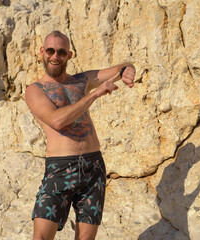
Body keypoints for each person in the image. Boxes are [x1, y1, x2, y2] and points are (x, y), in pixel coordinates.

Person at [25, 30, 136, 240]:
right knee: (41, 238)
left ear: (70, 55)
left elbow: (120, 69)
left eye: (61, 52)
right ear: (42, 52)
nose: (55, 56)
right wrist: (94, 94)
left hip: (94, 167)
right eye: (50, 51)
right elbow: (57, 120)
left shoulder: (82, 80)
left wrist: (128, 70)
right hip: (60, 168)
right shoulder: (35, 90)